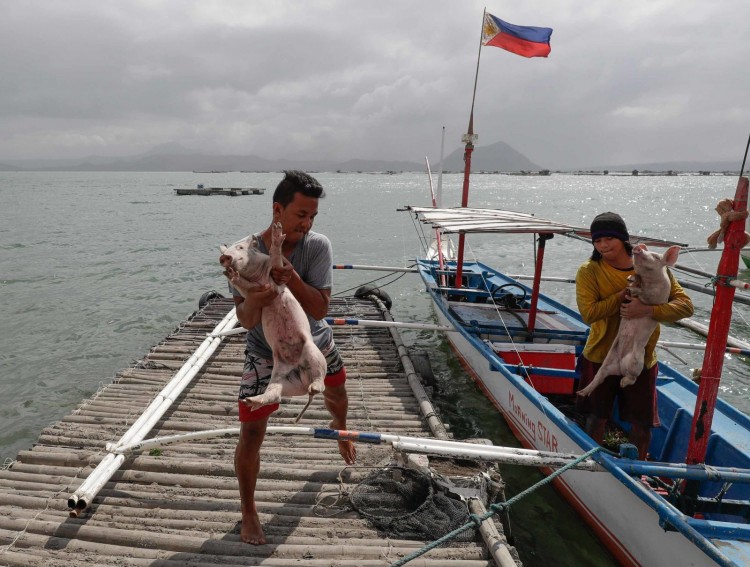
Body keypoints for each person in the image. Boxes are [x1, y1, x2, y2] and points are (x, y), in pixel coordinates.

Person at [224, 170, 356, 545]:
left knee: (337, 391)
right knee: (250, 431)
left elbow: (319, 309)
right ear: (277, 209)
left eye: (313, 216)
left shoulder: (318, 247)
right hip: (264, 351)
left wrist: (292, 277)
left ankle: (340, 428)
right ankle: (248, 512)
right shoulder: (243, 253)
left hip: (315, 341)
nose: (307, 223)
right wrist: (252, 298)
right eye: (301, 215)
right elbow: (245, 321)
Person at [575, 212, 693, 459]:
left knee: (642, 424)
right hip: (600, 355)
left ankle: (638, 471)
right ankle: (589, 466)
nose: (604, 245)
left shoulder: (653, 265)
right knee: (596, 417)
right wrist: (621, 296)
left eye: (609, 238)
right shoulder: (590, 271)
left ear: (623, 239)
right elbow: (589, 314)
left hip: (642, 357)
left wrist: (649, 309)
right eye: (598, 241)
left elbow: (685, 306)